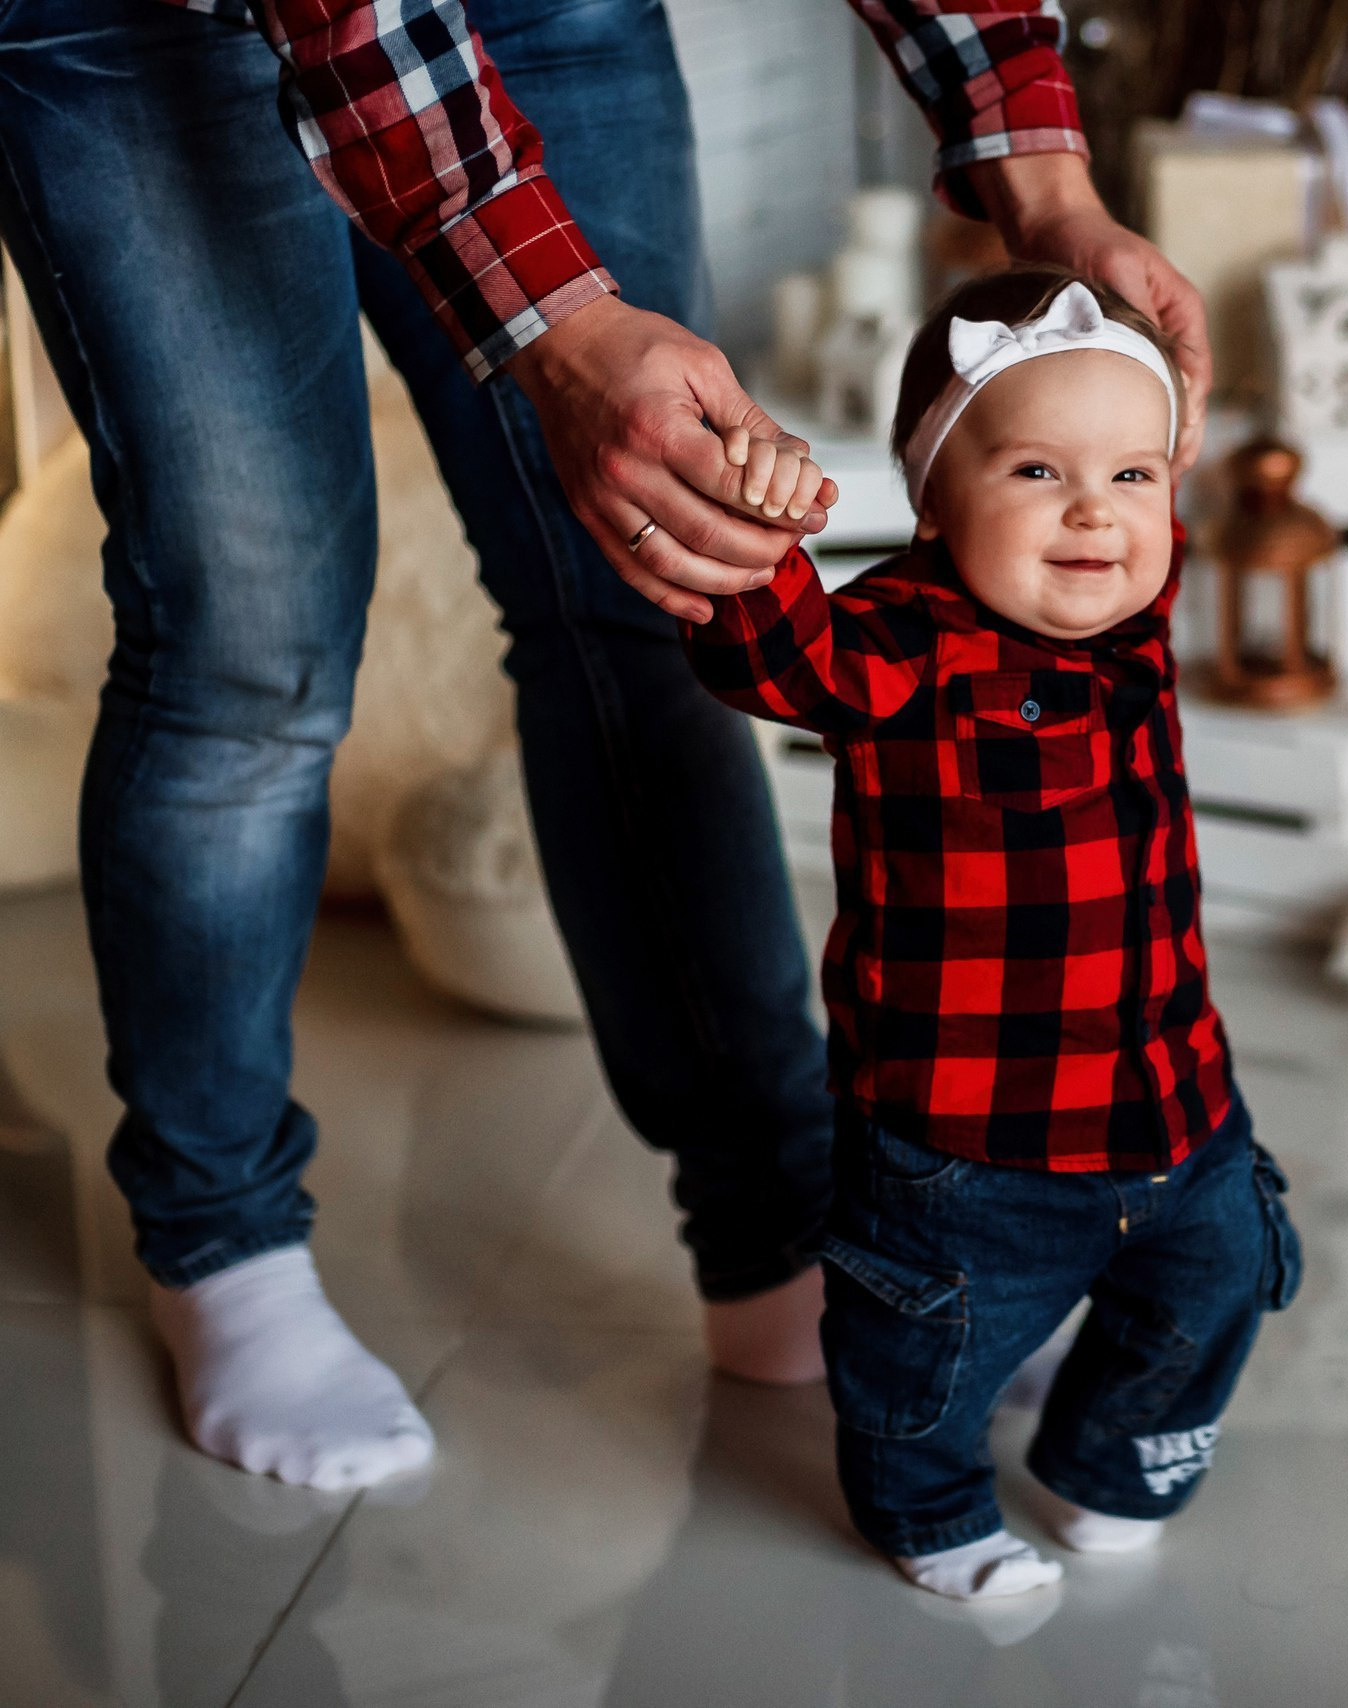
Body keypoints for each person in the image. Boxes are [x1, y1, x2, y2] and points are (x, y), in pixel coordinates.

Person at [0, 0, 1207, 1492]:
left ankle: (772, 1233)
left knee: (655, 588)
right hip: (148, 34)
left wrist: (1046, 179)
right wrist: (555, 323)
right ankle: (221, 1239)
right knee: (252, 644)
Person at [682, 269, 1300, 1600]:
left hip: (1176, 1102)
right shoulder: (905, 642)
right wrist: (752, 524)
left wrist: (1148, 421)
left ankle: (1111, 1461)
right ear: (931, 498)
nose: (1096, 512)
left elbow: (1134, 478)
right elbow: (769, 660)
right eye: (1035, 470)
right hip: (974, 1141)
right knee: (935, 1343)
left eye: (1135, 478)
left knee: (1215, 1282)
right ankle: (926, 1507)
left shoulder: (1129, 607)